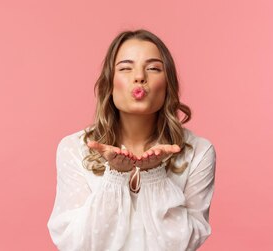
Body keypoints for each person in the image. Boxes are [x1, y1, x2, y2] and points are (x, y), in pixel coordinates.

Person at [47, 29, 216, 251]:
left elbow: (184, 244)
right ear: (110, 83)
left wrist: (154, 176)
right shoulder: (74, 149)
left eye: (153, 68)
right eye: (126, 68)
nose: (139, 77)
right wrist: (114, 177)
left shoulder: (199, 152)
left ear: (168, 85)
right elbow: (75, 244)